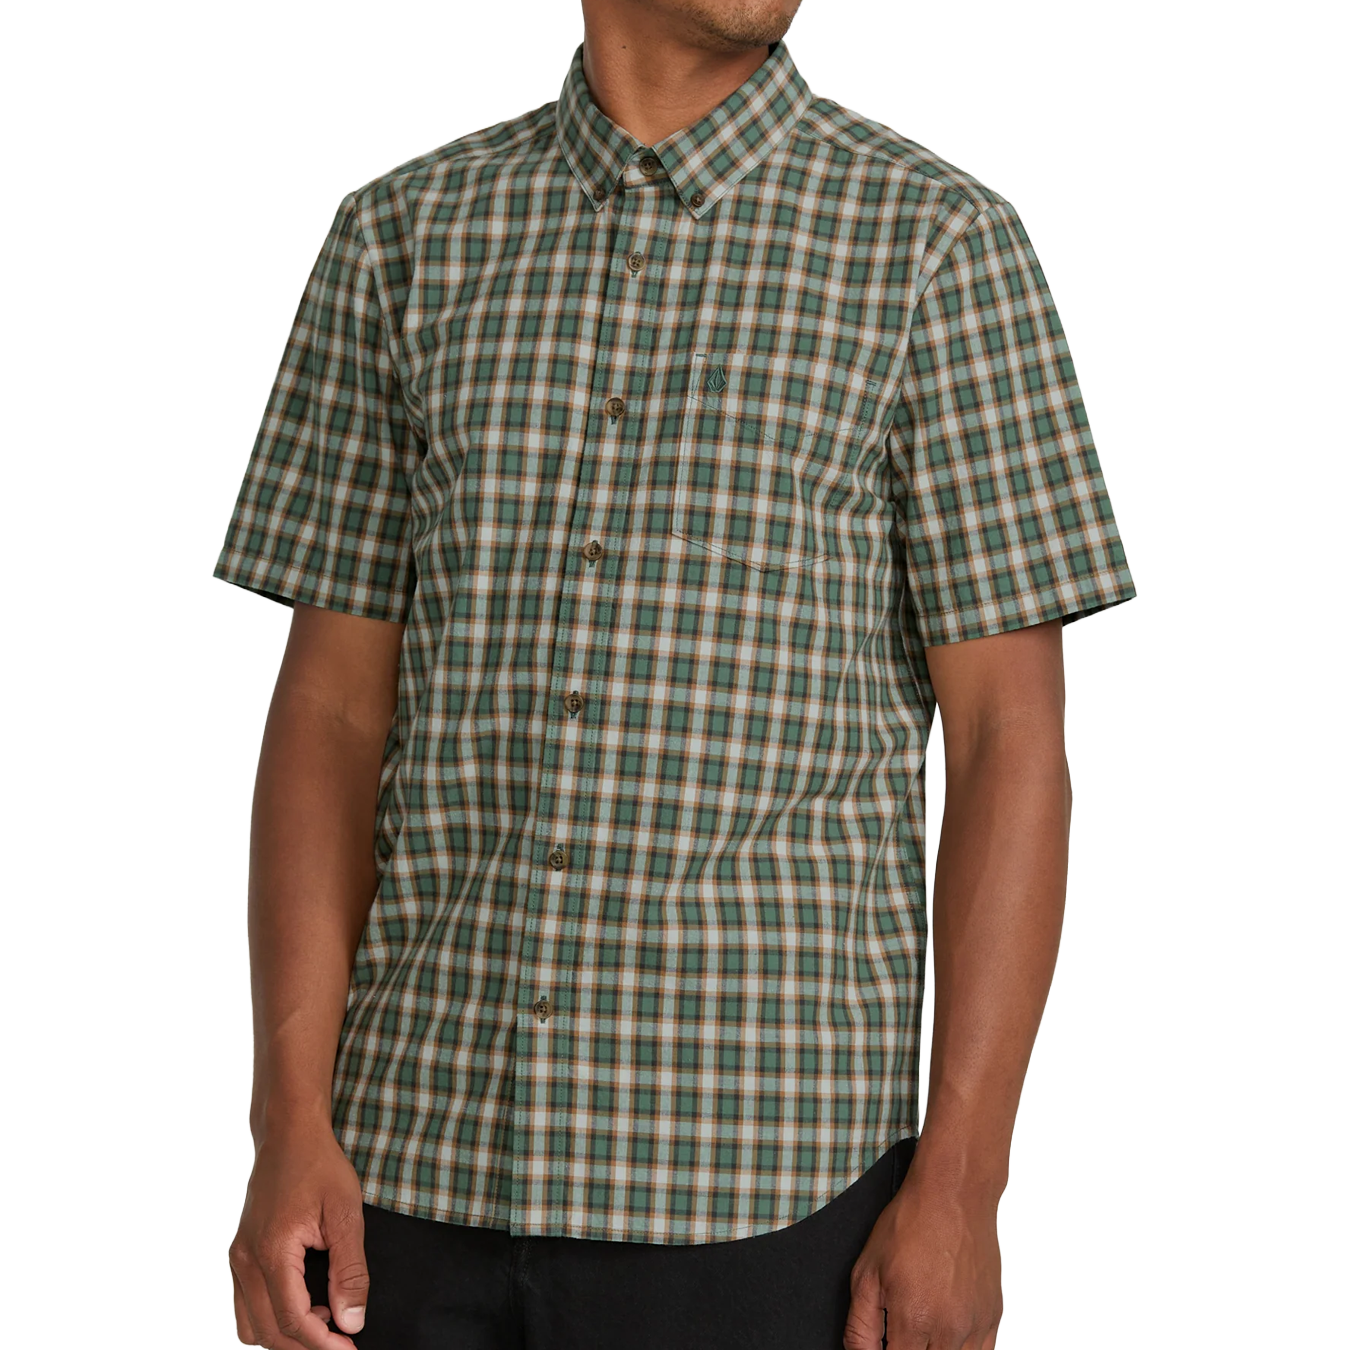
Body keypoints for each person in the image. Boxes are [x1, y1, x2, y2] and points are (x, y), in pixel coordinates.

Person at [214, 1, 1136, 1346]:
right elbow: (331, 714)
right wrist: (288, 1117)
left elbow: (1009, 739)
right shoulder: (400, 238)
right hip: (409, 1175)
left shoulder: (936, 246)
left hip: (764, 1200)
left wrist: (962, 1183)